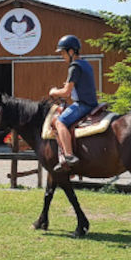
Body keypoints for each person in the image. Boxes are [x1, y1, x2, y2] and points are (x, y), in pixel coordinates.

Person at [49, 34, 98, 167]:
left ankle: (69, 155)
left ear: (71, 52)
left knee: (60, 122)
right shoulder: (85, 64)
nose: (62, 56)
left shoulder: (74, 66)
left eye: (63, 53)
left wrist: (53, 92)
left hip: (83, 105)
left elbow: (66, 92)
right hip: (92, 103)